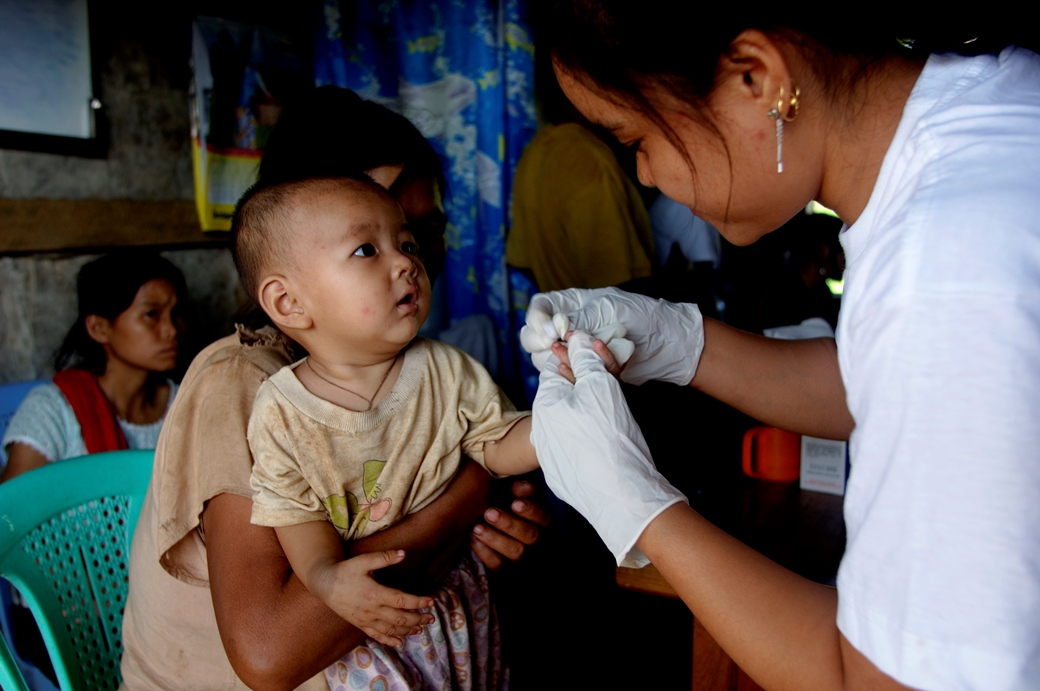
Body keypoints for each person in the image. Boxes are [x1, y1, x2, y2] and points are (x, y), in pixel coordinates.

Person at [523, 6, 1040, 691]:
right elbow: (886, 385)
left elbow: (878, 681)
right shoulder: (985, 106)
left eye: (635, 137)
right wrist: (680, 340)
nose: (643, 176)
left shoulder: (945, 269)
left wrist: (638, 507)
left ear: (757, 79)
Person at [120, 87, 548, 691]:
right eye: (367, 243)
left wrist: (481, 537)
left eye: (421, 232)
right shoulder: (242, 383)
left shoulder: (419, 370)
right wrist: (468, 492)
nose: (412, 261)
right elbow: (270, 655)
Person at [238, 176, 539, 688]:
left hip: (457, 603)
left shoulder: (447, 369)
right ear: (289, 303)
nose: (405, 263)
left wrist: (565, 418)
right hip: (367, 628)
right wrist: (326, 578)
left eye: (406, 245)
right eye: (365, 249)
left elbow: (493, 446)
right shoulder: (280, 411)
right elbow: (293, 512)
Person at [1, 251, 186, 481]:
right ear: (99, 328)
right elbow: (13, 512)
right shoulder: (54, 411)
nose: (172, 330)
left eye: (175, 313)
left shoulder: (185, 405)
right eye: (151, 314)